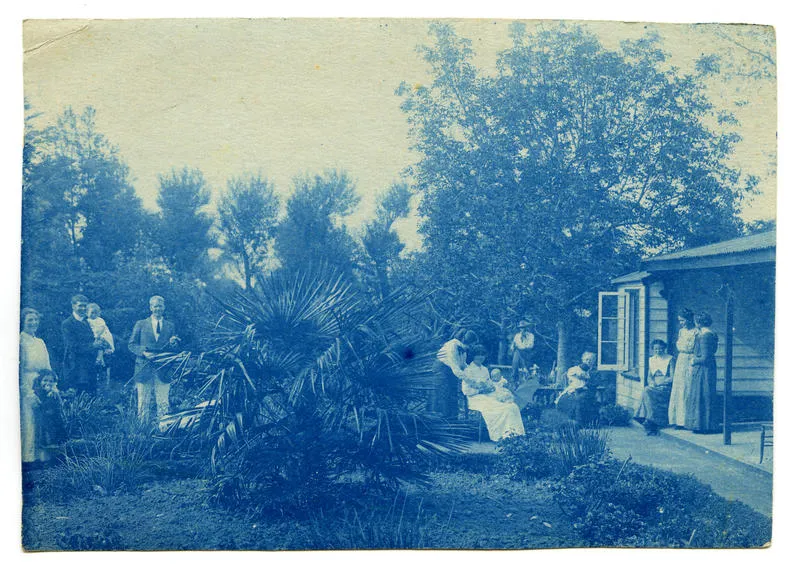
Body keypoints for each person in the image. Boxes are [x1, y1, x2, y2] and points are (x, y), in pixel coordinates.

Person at [128, 296, 180, 423]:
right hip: (144, 367)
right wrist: (144, 353)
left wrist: (174, 343)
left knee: (163, 401)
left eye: (160, 306)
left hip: (164, 368)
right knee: (143, 401)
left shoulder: (170, 326)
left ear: (164, 307)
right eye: (155, 306)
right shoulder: (140, 324)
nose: (158, 309)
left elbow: (174, 348)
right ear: (150, 307)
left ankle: (163, 428)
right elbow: (131, 344)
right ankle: (141, 430)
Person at [461, 345, 525, 441]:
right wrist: (481, 390)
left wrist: (493, 388)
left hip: (488, 396)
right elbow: (466, 391)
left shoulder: (485, 369)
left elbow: (490, 384)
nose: (480, 357)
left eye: (482, 355)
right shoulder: (468, 370)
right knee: (503, 409)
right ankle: (503, 436)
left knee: (512, 407)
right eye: (478, 355)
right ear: (473, 356)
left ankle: (515, 435)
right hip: (475, 398)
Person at [19, 308, 52, 463]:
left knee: (43, 421)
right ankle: (27, 459)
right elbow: (18, 370)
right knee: (29, 420)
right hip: (27, 384)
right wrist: (28, 393)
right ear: (23, 322)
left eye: (35, 320)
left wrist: (51, 386)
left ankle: (41, 457)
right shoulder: (20, 341)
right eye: (29, 320)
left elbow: (48, 367)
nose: (33, 323)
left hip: (43, 384)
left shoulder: (40, 342)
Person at [61, 294, 106, 395]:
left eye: (85, 306)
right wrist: (93, 346)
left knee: (92, 398)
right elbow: (72, 346)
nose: (83, 308)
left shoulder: (89, 321)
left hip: (91, 368)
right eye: (80, 305)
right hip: (77, 369)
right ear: (73, 306)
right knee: (79, 399)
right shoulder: (68, 323)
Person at [685, 312, 718, 433]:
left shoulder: (705, 336)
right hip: (708, 368)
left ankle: (703, 425)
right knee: (704, 394)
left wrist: (693, 360)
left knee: (702, 394)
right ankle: (705, 424)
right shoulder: (710, 334)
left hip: (704, 369)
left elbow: (705, 357)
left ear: (698, 322)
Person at [433, 329, 478, 419]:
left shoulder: (462, 349)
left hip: (450, 371)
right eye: (471, 344)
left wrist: (474, 373)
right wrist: (471, 382)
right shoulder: (452, 346)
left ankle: (453, 419)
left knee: (453, 394)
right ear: (466, 340)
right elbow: (456, 369)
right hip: (442, 370)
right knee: (444, 395)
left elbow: (463, 365)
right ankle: (444, 419)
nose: (471, 347)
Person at [634, 339, 675, 435]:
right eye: (656, 349)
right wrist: (652, 382)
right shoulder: (652, 359)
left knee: (646, 391)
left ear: (664, 348)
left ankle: (645, 419)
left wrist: (661, 383)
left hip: (665, 386)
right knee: (647, 390)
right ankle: (650, 421)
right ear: (653, 349)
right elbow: (649, 376)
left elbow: (673, 377)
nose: (658, 351)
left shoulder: (670, 359)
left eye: (660, 349)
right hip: (654, 386)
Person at [667, 308, 697, 428]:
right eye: (680, 321)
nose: (681, 323)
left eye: (683, 320)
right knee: (679, 388)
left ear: (689, 319)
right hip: (681, 359)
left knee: (688, 388)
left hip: (690, 359)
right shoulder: (681, 332)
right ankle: (678, 420)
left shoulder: (696, 332)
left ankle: (687, 421)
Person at [555, 352, 600, 425]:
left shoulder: (595, 371)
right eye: (587, 359)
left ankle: (579, 421)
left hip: (589, 391)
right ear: (583, 360)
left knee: (578, 399)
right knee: (564, 398)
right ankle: (568, 419)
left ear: (594, 361)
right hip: (575, 389)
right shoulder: (577, 369)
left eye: (591, 360)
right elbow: (571, 378)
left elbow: (595, 383)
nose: (588, 361)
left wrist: (586, 382)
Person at [32, 370, 66, 456]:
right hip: (45, 421)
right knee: (47, 440)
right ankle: (50, 458)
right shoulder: (38, 392)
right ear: (40, 381)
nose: (48, 383)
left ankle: (59, 458)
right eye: (45, 380)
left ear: (54, 383)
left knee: (56, 440)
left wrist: (54, 394)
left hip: (54, 420)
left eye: (51, 381)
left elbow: (59, 406)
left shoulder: (54, 394)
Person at [87, 303, 115, 367]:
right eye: (92, 313)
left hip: (102, 334)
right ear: (87, 313)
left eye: (95, 313)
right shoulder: (87, 321)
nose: (93, 315)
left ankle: (99, 358)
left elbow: (102, 328)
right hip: (94, 335)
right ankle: (100, 360)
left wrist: (98, 335)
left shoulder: (99, 320)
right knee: (97, 347)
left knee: (101, 346)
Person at [510, 320, 535, 384]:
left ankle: (514, 378)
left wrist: (524, 340)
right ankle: (517, 378)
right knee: (517, 352)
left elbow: (530, 346)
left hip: (527, 353)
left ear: (527, 328)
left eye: (524, 327)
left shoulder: (531, 336)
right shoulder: (517, 336)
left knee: (518, 352)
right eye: (521, 328)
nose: (522, 329)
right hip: (518, 354)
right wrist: (513, 347)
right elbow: (513, 346)